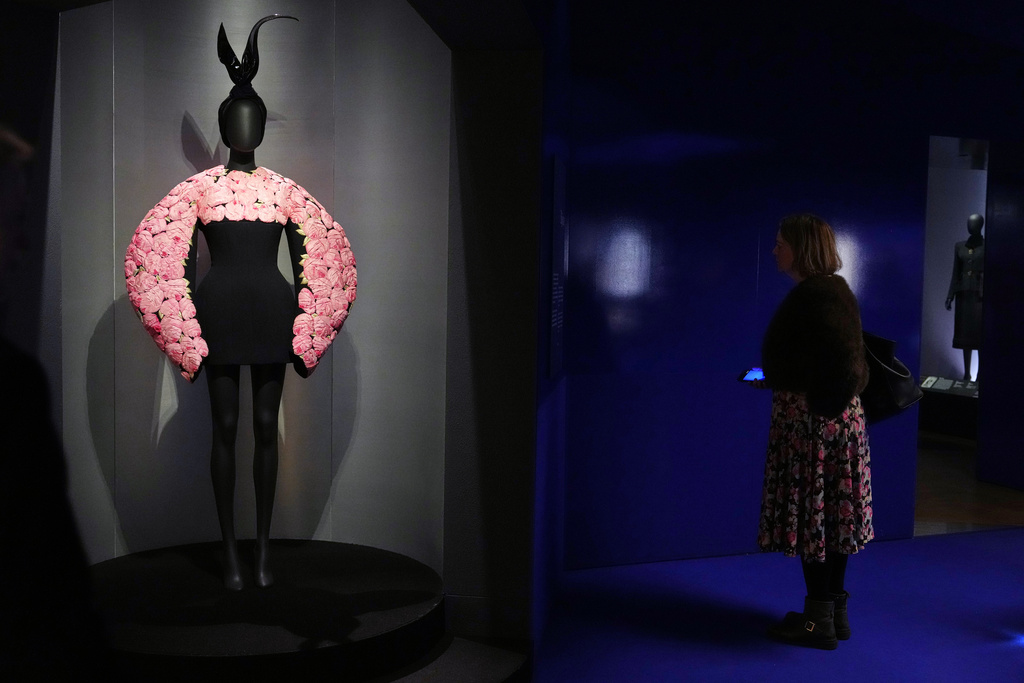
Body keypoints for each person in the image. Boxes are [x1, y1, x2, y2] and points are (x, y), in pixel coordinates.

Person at [124, 15, 357, 590]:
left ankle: (261, 552)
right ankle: (231, 554)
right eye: (237, 117)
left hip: (272, 316)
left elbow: (323, 252)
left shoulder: (282, 190)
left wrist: (311, 328)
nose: (246, 126)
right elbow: (160, 252)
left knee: (262, 424)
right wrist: (179, 328)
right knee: (225, 428)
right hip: (220, 317)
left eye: (253, 117)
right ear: (227, 125)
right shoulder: (200, 190)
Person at [751, 213, 873, 650]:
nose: (774, 250)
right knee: (834, 520)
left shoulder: (813, 295)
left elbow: (835, 368)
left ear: (800, 248)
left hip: (813, 428)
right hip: (835, 425)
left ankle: (816, 622)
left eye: (781, 243)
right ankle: (831, 612)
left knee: (814, 522)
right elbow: (837, 362)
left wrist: (809, 404)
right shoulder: (834, 291)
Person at [945, 213, 984, 383]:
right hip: (964, 296)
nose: (970, 226)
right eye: (969, 223)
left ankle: (981, 374)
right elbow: (956, 272)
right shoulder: (959, 246)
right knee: (965, 336)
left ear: (980, 225)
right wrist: (950, 295)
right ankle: (967, 373)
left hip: (979, 297)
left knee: (980, 336)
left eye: (974, 223)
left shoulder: (986, 246)